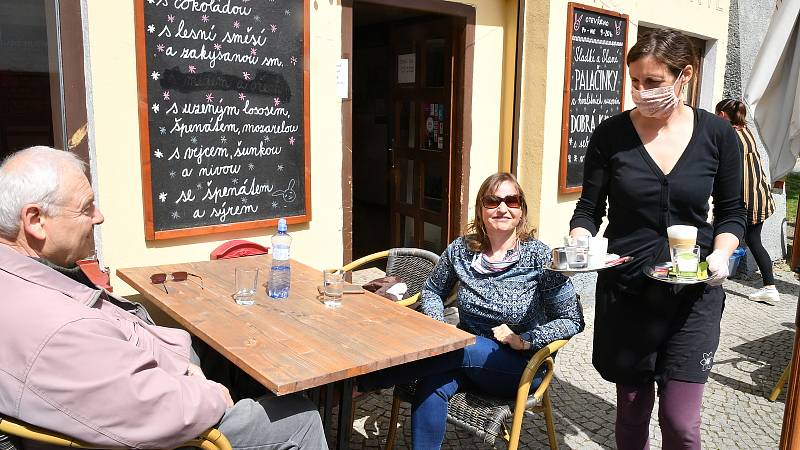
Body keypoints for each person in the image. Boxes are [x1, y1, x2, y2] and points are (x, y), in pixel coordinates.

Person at [0, 146, 327, 450]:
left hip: (156, 375)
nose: (99, 216)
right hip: (180, 426)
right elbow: (151, 411)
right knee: (299, 414)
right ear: (35, 220)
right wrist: (209, 391)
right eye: (86, 208)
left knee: (230, 355)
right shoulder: (59, 329)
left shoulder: (21, 278)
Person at [569, 30, 746, 449]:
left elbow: (732, 212)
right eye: (634, 81)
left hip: (693, 293)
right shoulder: (610, 134)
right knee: (632, 413)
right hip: (628, 293)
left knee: (680, 422)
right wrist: (580, 241)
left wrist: (722, 253)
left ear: (684, 75)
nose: (640, 91)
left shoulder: (718, 136)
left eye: (652, 82)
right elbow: (588, 211)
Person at [359, 172, 584, 450]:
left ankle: (365, 381)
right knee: (433, 382)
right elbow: (432, 290)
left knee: (464, 347)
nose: (502, 208)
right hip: (459, 358)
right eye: (493, 201)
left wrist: (525, 338)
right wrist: (436, 322)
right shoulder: (462, 250)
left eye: (511, 201)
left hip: (518, 365)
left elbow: (572, 320)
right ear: (481, 209)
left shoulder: (539, 257)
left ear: (521, 210)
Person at [715, 98, 779, 302]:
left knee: (724, 235)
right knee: (752, 240)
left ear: (723, 115)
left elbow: (730, 170)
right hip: (759, 195)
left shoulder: (731, 135)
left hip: (747, 199)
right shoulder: (746, 130)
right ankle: (770, 287)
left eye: (717, 115)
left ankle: (769, 287)